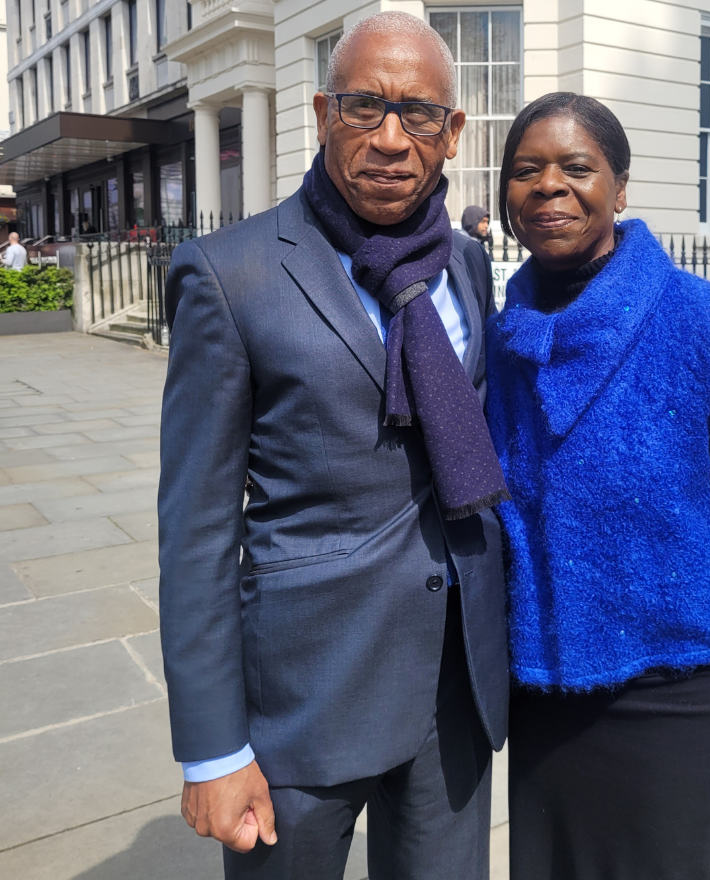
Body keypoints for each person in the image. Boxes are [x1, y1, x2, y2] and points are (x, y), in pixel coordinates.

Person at [159, 13, 510, 880]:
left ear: (452, 133)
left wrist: (696, 319)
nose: (391, 139)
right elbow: (197, 530)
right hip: (306, 698)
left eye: (418, 113)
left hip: (454, 689)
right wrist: (213, 751)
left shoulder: (466, 264)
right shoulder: (230, 273)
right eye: (364, 107)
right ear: (323, 114)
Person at [485, 93, 710, 880]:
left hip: (683, 703)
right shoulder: (499, 344)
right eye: (526, 169)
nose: (549, 185)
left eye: (576, 166)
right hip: (547, 704)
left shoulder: (705, 322)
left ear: (620, 187)